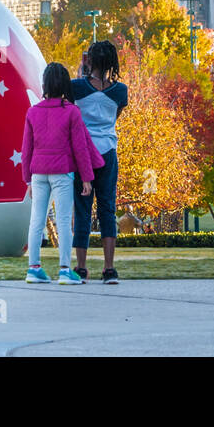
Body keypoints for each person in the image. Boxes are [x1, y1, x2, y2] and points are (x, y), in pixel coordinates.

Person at [21, 62, 101, 284]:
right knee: (64, 221)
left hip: (38, 172)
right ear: (65, 83)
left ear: (45, 83)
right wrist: (87, 177)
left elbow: (26, 148)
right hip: (62, 172)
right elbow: (80, 148)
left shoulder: (33, 111)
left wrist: (26, 178)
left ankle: (33, 268)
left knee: (36, 220)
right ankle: (65, 270)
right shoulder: (72, 112)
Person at [72, 41, 128, 285]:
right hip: (107, 152)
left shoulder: (75, 88)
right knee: (108, 208)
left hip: (82, 153)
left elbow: (72, 114)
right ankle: (109, 268)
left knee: (82, 209)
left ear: (89, 61)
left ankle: (81, 268)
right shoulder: (120, 91)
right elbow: (114, 118)